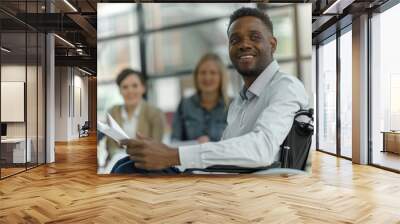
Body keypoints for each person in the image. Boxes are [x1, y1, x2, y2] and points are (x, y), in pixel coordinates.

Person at [114, 7, 309, 173]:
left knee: (129, 169)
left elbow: (262, 148)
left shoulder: (286, 87)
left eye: (254, 37)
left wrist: (173, 155)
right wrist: (164, 151)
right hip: (220, 176)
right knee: (129, 163)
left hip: (249, 189)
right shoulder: (239, 102)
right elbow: (223, 151)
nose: (244, 45)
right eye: (235, 40)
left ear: (272, 44)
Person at [106, 68, 166, 161]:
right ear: (120, 91)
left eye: (135, 86)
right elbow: (111, 147)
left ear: (143, 88)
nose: (130, 91)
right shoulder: (113, 112)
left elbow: (156, 148)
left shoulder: (156, 114)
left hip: (146, 163)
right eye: (125, 87)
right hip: (117, 162)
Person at [171, 53, 230, 144]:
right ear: (196, 76)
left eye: (213, 73)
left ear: (221, 77)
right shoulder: (185, 105)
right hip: (191, 157)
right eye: (202, 72)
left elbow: (237, 143)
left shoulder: (233, 105)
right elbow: (174, 142)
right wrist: (195, 143)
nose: (207, 77)